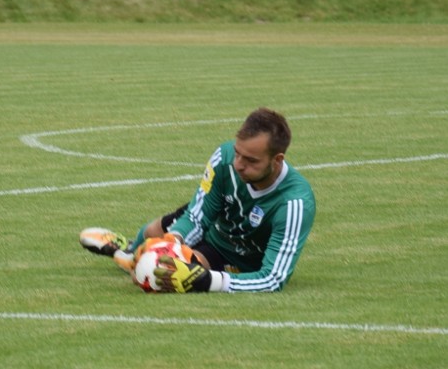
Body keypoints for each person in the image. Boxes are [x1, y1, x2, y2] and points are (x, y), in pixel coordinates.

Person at [80, 107, 316, 293]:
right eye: (237, 153)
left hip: (238, 258)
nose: (238, 165)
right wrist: (172, 242)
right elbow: (197, 215)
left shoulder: (294, 203)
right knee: (156, 231)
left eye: (251, 160)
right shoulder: (224, 158)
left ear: (277, 160)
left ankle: (136, 258)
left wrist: (207, 281)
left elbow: (273, 279)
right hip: (216, 219)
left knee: (160, 274)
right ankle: (131, 251)